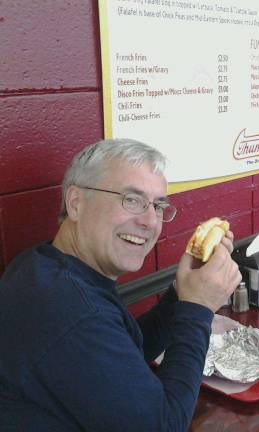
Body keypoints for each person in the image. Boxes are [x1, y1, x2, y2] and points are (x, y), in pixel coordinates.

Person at [0, 139, 242, 431]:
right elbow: (163, 425)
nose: (150, 221)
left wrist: (182, 292)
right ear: (75, 202)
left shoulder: (45, 266)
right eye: (132, 200)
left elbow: (119, 355)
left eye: (158, 205)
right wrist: (198, 309)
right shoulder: (69, 307)